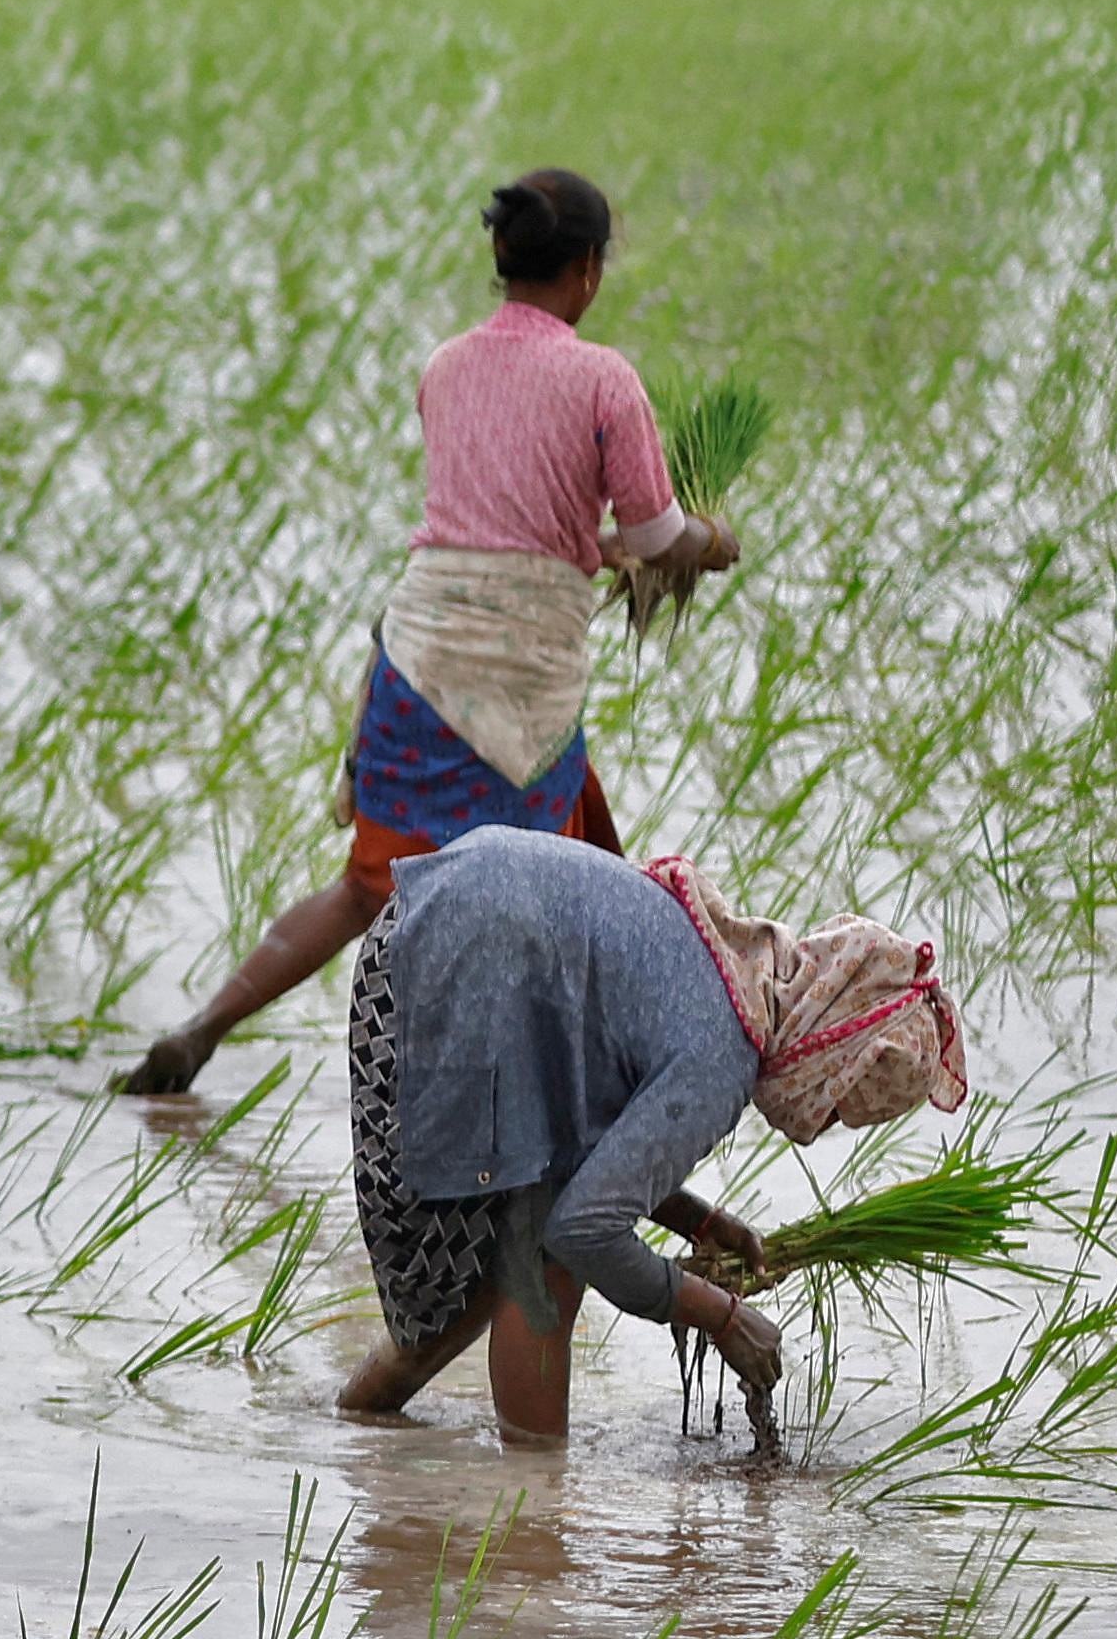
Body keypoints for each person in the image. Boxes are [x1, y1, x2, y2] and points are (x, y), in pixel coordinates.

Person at [122, 167, 742, 1099]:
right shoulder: (602, 376)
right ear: (587, 271)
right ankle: (559, 1125)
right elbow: (655, 536)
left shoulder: (446, 365)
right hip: (520, 685)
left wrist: (593, 549)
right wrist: (709, 540)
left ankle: (200, 1030)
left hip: (416, 660)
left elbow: (502, 524)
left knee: (367, 888)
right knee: (559, 906)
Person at [342, 825, 966, 1443]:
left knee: (479, 1278)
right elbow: (584, 1230)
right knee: (530, 1267)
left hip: (426, 931)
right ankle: (531, 1503)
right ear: (834, 1061)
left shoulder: (728, 971)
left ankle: (369, 1430)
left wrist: (696, 1219)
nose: (819, 1127)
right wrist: (723, 1317)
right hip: (445, 975)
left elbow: (585, 1140)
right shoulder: (722, 1055)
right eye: (838, 1108)